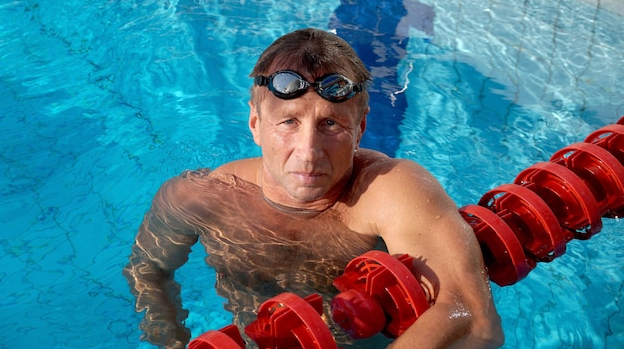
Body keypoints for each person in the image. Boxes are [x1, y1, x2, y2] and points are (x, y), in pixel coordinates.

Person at [124, 28, 504, 349]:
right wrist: (169, 339)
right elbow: (148, 272)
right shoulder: (198, 198)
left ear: (361, 128)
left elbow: (474, 319)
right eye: (288, 122)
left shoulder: (390, 190)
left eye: (331, 125)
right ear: (255, 124)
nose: (308, 153)